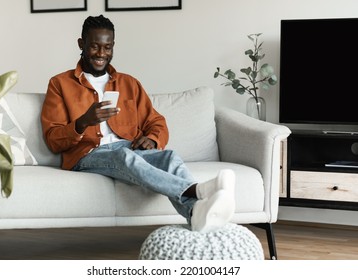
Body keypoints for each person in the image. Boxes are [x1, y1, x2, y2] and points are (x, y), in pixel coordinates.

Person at [41, 14, 235, 232]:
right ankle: (197, 190)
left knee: (169, 157)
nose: (101, 54)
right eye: (95, 47)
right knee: (125, 156)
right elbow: (53, 139)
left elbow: (156, 121)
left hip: (127, 148)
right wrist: (84, 121)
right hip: (86, 155)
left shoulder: (129, 84)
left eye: (107, 47)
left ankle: (195, 213)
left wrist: (152, 140)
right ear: (81, 44)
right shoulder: (59, 84)